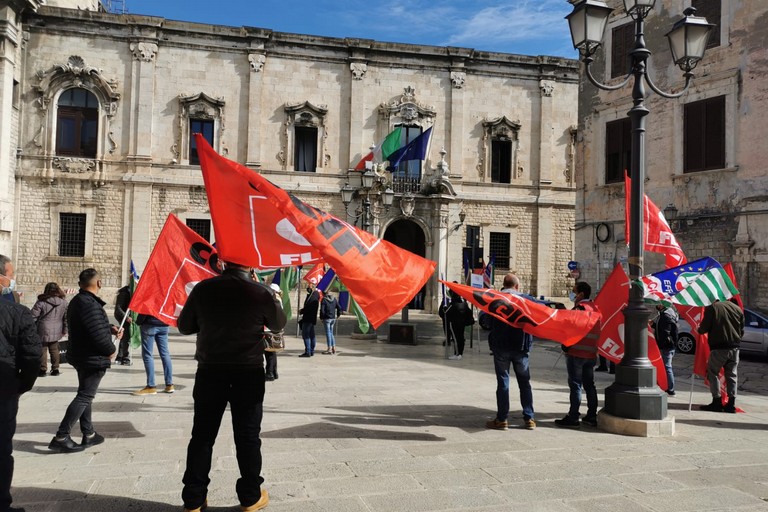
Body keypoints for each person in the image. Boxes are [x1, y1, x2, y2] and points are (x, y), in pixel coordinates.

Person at [177, 261, 286, 512]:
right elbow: (278, 324)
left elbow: (184, 326)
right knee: (248, 436)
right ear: (250, 264)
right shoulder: (260, 292)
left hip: (210, 370)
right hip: (247, 372)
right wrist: (272, 296)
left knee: (202, 435)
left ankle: (193, 499)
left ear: (223, 262)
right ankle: (250, 496)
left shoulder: (203, 289)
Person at [50, 268, 122, 453]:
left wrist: (110, 328)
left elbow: (92, 325)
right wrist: (111, 349)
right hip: (91, 358)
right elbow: (96, 334)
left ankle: (88, 433)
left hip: (81, 355)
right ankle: (61, 435)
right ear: (98, 283)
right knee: (85, 396)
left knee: (85, 394)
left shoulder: (79, 301)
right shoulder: (89, 303)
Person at [0, 276, 41, 512]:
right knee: (2, 449)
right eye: (10, 275)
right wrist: (22, 384)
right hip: (4, 387)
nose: (12, 281)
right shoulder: (17, 312)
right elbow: (32, 355)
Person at [485, 273, 536, 430]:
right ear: (517, 286)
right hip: (521, 347)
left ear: (504, 284)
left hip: (501, 346)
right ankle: (529, 418)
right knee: (524, 383)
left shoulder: (496, 299)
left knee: (503, 382)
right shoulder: (527, 300)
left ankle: (502, 419)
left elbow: (486, 321)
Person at [555, 281, 599, 428]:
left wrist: (565, 346)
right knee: (589, 385)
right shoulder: (595, 308)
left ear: (581, 294)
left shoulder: (579, 308)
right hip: (591, 354)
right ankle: (592, 416)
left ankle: (573, 416)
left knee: (575, 385)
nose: (572, 293)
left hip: (577, 353)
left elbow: (572, 329)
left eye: (574, 291)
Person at [698, 298, 744, 413]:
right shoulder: (738, 309)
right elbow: (741, 330)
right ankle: (731, 404)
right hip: (735, 347)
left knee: (713, 373)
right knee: (732, 375)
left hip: (719, 347)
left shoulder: (713, 308)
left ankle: (717, 401)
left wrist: (698, 329)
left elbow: (703, 328)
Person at [31, 283, 68, 377]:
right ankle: (55, 369)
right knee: (54, 349)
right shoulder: (63, 302)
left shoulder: (41, 302)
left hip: (43, 328)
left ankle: (43, 369)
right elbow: (66, 318)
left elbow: (33, 316)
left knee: (42, 349)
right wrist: (65, 329)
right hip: (57, 328)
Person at [132, 314, 173, 395]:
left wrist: (138, 321)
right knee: (165, 354)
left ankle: (151, 386)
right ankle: (169, 384)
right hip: (164, 324)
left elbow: (145, 310)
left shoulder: (150, 299)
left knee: (147, 355)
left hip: (150, 324)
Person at [653, 304, 679, 397]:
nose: (657, 305)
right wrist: (654, 324)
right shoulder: (667, 314)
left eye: (659, 303)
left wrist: (662, 343)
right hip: (669, 345)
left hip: (667, 346)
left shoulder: (665, 316)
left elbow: (665, 331)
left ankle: (670, 390)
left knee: (667, 367)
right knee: (666, 366)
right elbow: (663, 328)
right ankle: (668, 388)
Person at [439, 289, 472, 360]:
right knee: (461, 338)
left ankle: (457, 353)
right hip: (462, 324)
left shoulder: (453, 305)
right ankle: (460, 353)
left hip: (455, 324)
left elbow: (446, 314)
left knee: (456, 339)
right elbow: (469, 312)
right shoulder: (464, 304)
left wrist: (445, 309)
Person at [264, 283, 284, 381]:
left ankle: (270, 373)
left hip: (270, 328)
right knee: (273, 351)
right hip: (275, 327)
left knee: (269, 351)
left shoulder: (274, 300)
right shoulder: (278, 299)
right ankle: (274, 372)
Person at [113, 284, 134, 365]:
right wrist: (127, 317)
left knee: (126, 335)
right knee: (125, 335)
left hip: (127, 316)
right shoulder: (124, 293)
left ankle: (123, 356)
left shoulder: (131, 292)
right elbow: (118, 308)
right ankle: (121, 356)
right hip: (122, 316)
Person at [298, 283, 319, 357]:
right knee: (312, 335)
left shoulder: (313, 298)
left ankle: (308, 351)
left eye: (309, 287)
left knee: (306, 335)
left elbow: (308, 308)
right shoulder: (313, 296)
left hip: (308, 319)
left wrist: (302, 311)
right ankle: (311, 351)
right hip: (311, 319)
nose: (307, 288)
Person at [319, 290, 342, 355]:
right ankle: (333, 347)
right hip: (333, 318)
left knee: (328, 333)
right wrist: (338, 314)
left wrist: (321, 318)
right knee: (331, 333)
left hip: (327, 318)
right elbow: (339, 307)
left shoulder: (324, 300)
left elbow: (322, 310)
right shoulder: (334, 299)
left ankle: (329, 348)